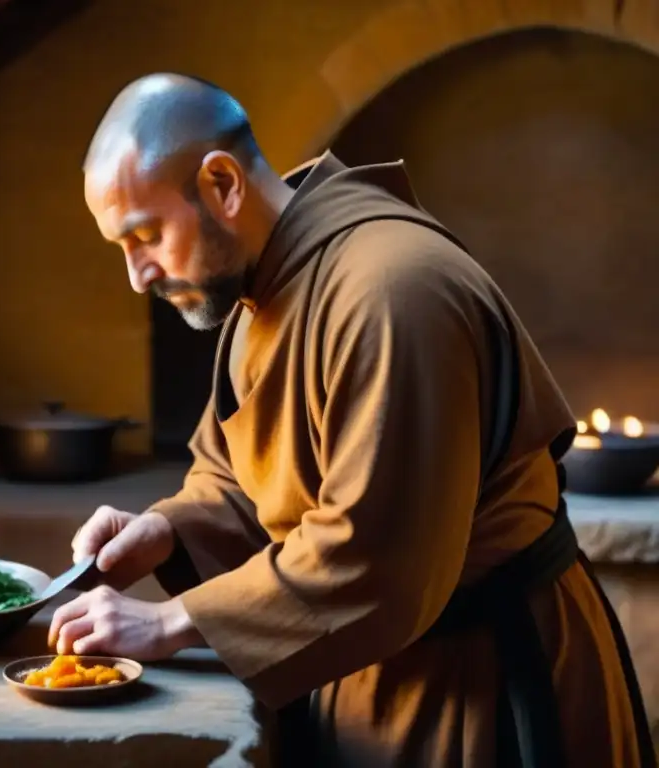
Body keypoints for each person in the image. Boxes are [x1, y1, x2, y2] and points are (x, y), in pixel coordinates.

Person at [47, 73, 655, 767]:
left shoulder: (393, 292)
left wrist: (172, 622)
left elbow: (379, 555)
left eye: (146, 235)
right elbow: (247, 480)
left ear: (222, 184)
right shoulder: (264, 292)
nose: (137, 275)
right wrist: (166, 531)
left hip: (480, 690)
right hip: (362, 679)